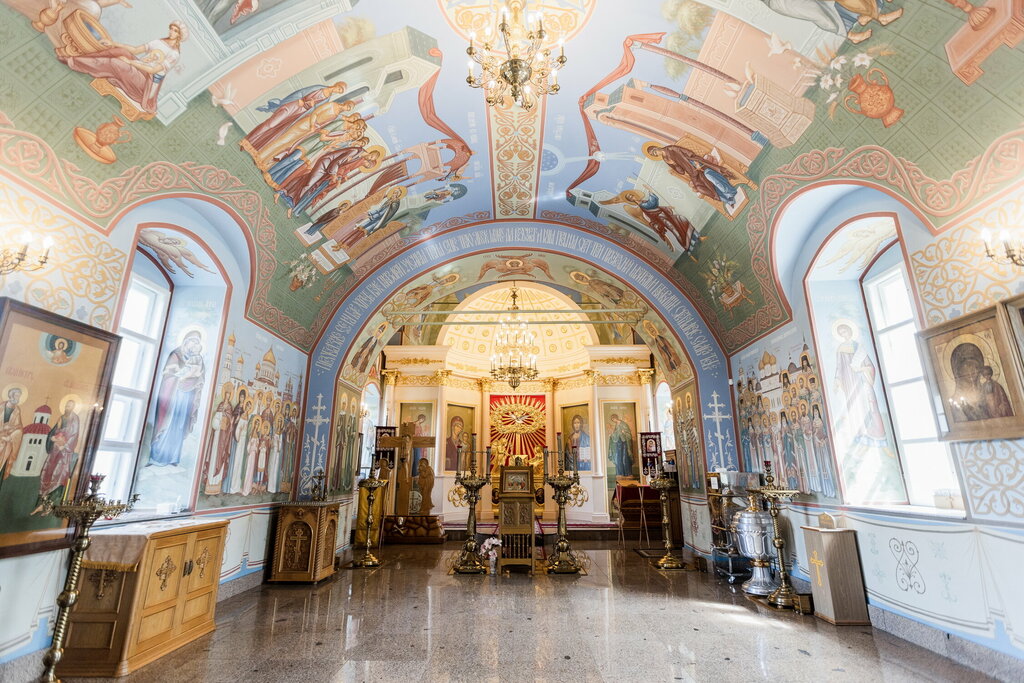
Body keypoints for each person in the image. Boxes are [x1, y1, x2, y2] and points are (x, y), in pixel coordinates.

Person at [63, 21, 188, 115]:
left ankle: (73, 62)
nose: (172, 32)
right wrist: (113, 43)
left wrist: (129, 62)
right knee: (120, 51)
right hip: (140, 69)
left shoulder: (174, 55)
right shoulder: (159, 42)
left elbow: (152, 70)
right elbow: (135, 50)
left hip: (146, 84)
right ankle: (79, 59)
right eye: (171, 29)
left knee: (117, 63)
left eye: (175, 31)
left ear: (180, 35)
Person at [149, 330, 205, 467]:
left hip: (186, 397)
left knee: (179, 426)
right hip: (174, 395)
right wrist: (183, 374)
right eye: (193, 341)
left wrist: (194, 374)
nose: (194, 345)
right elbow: (168, 374)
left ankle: (173, 456)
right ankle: (157, 454)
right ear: (186, 341)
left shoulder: (197, 358)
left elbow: (200, 377)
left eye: (197, 343)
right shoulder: (176, 355)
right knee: (167, 424)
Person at [34, 399, 80, 512]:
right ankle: (41, 502)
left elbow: (74, 435)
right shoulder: (61, 417)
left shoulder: (75, 419)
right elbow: (53, 431)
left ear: (73, 408)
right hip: (54, 451)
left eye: (70, 406)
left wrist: (64, 446)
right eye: (67, 405)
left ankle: (51, 505)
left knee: (58, 475)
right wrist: (52, 438)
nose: (68, 408)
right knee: (47, 474)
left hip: (63, 453)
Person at [0, 387, 24, 481]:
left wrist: (10, 434)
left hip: (7, 443)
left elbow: (19, 427)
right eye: (17, 395)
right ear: (11, 395)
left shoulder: (17, 410)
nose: (18, 398)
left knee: (2, 469)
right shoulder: (1, 407)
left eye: (19, 396)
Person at [608, 414, 634, 478]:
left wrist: (624, 432)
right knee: (619, 458)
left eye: (613, 419)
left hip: (624, 443)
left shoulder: (623, 424)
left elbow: (628, 434)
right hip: (618, 443)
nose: (613, 421)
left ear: (615, 418)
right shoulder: (617, 425)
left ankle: (628, 473)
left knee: (625, 458)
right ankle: (620, 473)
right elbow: (616, 433)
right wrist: (612, 435)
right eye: (612, 420)